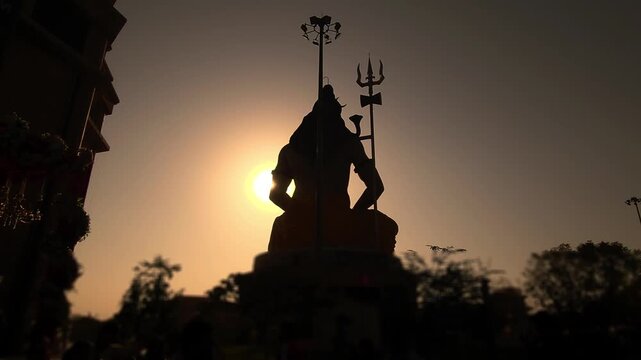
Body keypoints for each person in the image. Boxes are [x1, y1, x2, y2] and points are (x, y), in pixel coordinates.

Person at [268, 85, 397, 253]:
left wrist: (300, 214)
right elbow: (376, 186)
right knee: (385, 227)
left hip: (301, 218)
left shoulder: (289, 150)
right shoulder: (350, 144)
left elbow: (275, 194)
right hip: (338, 218)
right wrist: (352, 214)